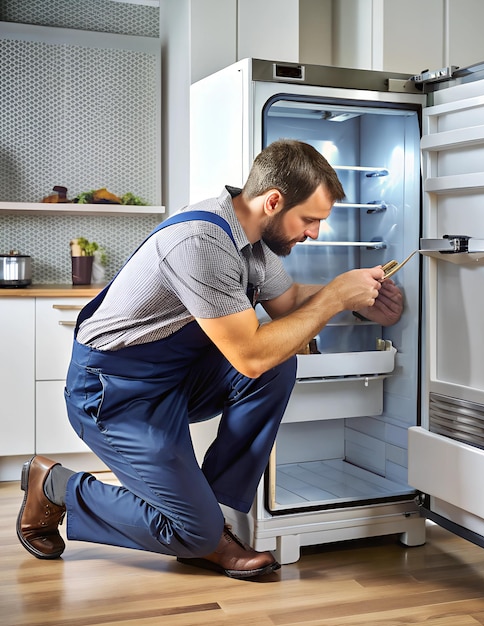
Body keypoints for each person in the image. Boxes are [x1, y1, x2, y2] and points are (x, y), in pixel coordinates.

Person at [16, 139, 403, 579]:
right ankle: (55, 485)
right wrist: (334, 297)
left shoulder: (254, 242)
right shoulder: (202, 241)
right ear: (273, 201)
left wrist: (355, 300)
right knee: (193, 527)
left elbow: (288, 301)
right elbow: (251, 356)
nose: (314, 232)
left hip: (173, 382)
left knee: (280, 362)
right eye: (309, 219)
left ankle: (209, 522)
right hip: (113, 394)